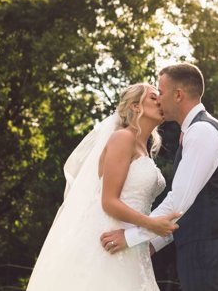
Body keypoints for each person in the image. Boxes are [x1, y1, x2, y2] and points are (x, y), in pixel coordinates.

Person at [101, 63, 218, 290]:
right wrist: (152, 243)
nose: (159, 98)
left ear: (178, 95)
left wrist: (131, 237)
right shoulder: (192, 132)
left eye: (162, 92)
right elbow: (186, 209)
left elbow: (179, 203)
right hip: (200, 246)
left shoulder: (201, 131)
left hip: (209, 247)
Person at [27, 83, 180, 291]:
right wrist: (151, 224)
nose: (160, 101)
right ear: (135, 106)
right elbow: (108, 201)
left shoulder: (144, 148)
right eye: (153, 97)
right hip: (109, 236)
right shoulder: (123, 138)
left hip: (133, 243)